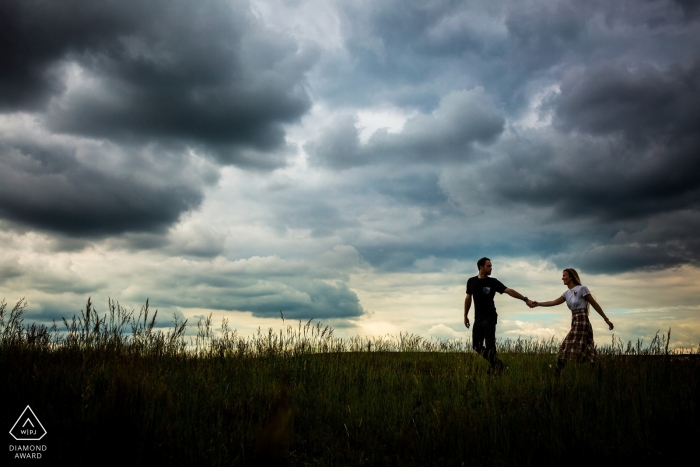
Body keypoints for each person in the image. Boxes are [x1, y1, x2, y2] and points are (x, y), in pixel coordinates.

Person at [531, 268, 613, 376]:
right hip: (575, 321)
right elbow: (554, 302)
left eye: (564, 276)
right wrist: (538, 304)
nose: (562, 278)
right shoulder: (566, 293)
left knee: (565, 346)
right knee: (589, 350)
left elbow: (594, 304)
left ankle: (557, 375)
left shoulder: (582, 289)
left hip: (582, 321)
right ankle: (600, 376)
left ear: (571, 277)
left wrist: (606, 319)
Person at [464, 257, 533, 374]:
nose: (491, 268)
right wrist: (465, 315)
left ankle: (495, 370)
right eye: (488, 266)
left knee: (490, 346)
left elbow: (508, 290)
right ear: (481, 267)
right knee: (476, 346)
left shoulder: (493, 282)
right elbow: (468, 298)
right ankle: (499, 366)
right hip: (478, 318)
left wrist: (525, 299)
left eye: (491, 266)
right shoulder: (471, 281)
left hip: (490, 317)